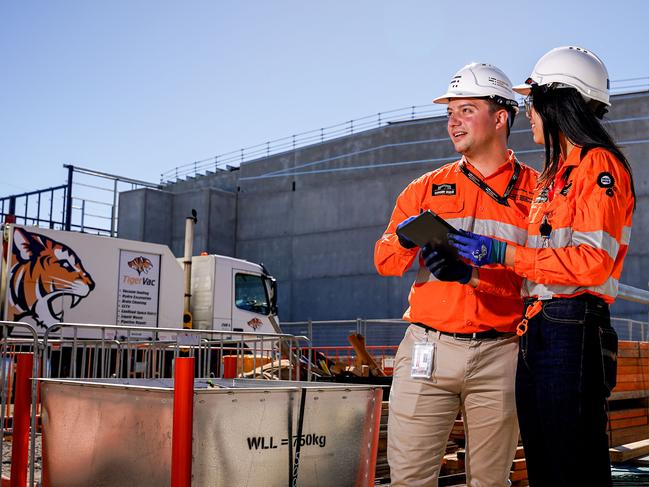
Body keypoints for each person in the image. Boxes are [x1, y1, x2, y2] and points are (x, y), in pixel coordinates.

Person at [450, 46, 635, 487]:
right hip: (540, 327)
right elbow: (539, 271)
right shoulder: (553, 177)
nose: (527, 112)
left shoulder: (598, 166)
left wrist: (503, 253)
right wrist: (474, 272)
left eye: (533, 102)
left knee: (572, 464)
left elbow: (592, 264)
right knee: (545, 463)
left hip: (573, 325)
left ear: (559, 101)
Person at [374, 62, 538, 486]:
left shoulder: (538, 193)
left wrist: (474, 275)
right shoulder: (424, 188)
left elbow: (544, 278)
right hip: (427, 348)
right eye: (450, 112)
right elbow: (384, 261)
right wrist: (408, 240)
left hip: (500, 353)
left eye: (466, 110)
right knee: (409, 479)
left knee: (489, 481)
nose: (453, 121)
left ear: (500, 117)